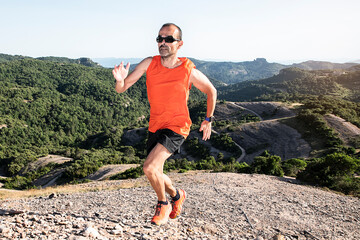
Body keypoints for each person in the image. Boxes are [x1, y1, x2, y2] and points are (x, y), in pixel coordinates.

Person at [113, 23, 217, 226]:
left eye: (169, 39)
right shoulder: (149, 63)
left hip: (177, 126)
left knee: (149, 168)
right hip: (156, 126)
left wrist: (208, 119)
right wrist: (120, 80)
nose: (163, 43)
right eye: (159, 39)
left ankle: (163, 204)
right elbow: (122, 89)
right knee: (156, 171)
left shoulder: (188, 70)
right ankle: (178, 195)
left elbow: (211, 91)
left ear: (179, 44)